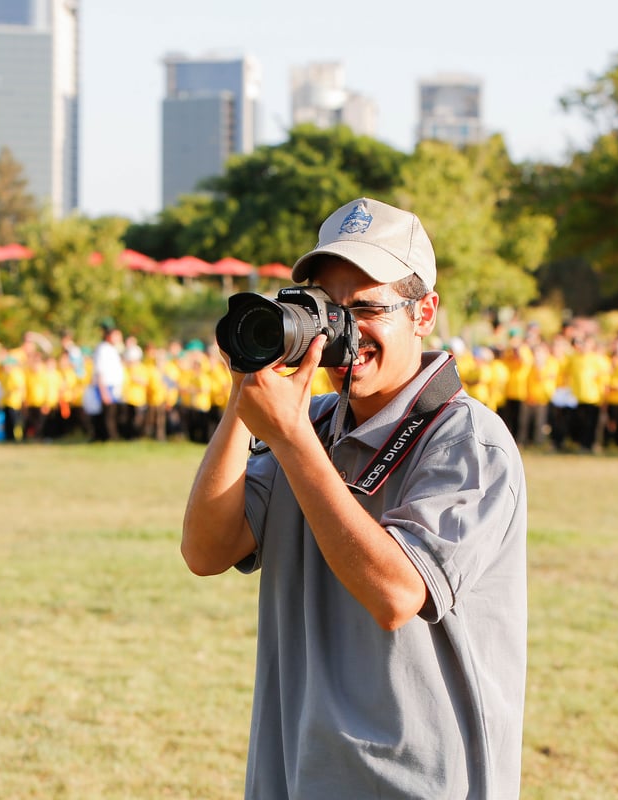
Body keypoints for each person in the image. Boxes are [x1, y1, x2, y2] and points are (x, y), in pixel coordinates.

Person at [181, 198, 528, 798]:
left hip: (416, 781)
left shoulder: (466, 441)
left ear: (424, 313)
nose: (343, 332)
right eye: (326, 310)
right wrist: (245, 398)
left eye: (366, 308)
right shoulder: (312, 425)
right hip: (298, 770)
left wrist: (289, 437)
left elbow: (396, 594)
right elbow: (206, 549)